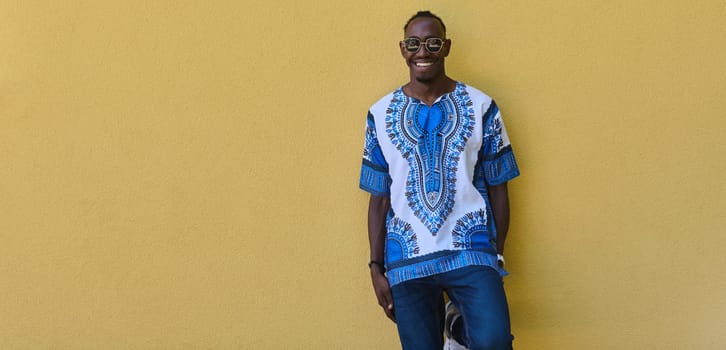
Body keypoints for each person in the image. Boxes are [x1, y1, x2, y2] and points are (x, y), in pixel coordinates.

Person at [359, 11, 520, 350]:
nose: (423, 52)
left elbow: (499, 186)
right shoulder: (379, 113)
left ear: (446, 47)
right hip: (407, 260)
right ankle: (454, 325)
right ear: (403, 49)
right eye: (413, 44)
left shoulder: (482, 106)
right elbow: (379, 198)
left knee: (494, 342)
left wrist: (497, 254)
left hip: (470, 251)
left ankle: (459, 329)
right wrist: (376, 269)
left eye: (433, 43)